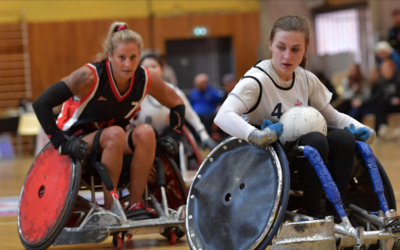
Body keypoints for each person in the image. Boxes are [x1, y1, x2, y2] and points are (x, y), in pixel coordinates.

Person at [214, 15, 376, 218]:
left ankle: (336, 211)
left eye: (295, 49)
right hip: (264, 153)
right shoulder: (256, 80)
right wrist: (255, 134)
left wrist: (364, 129)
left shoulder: (306, 79)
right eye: (281, 47)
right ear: (271, 44)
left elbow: (333, 118)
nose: (287, 56)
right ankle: (314, 215)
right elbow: (222, 116)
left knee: (344, 139)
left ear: (306, 49)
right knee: (316, 140)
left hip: (301, 151)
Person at [32, 22, 185, 214]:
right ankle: (111, 207)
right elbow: (41, 103)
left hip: (112, 140)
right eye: (121, 57)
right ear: (110, 56)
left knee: (146, 133)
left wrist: (175, 136)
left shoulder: (146, 79)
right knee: (115, 133)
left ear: (140, 57)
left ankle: (135, 205)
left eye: (133, 57)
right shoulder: (89, 76)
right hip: (75, 140)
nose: (127, 64)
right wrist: (60, 141)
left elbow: (177, 103)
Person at [135, 54, 217, 150]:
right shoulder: (136, 92)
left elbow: (189, 114)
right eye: (145, 67)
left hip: (170, 138)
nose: (150, 70)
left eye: (154, 66)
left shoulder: (174, 91)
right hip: (145, 138)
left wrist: (203, 135)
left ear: (162, 70)